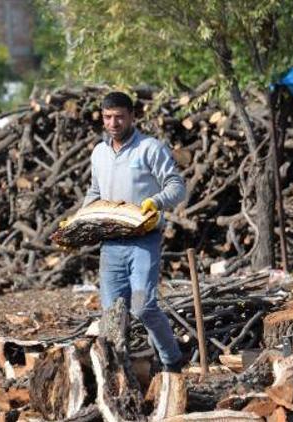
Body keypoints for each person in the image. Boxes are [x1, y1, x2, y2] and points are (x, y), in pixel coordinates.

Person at [84, 91, 186, 372]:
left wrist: (157, 201)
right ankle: (117, 372)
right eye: (107, 117)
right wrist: (80, 221)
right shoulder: (99, 153)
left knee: (142, 306)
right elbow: (95, 192)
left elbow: (177, 186)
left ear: (132, 116)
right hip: (110, 245)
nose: (113, 123)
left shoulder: (149, 148)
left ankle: (172, 361)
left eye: (119, 116)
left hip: (143, 240)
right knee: (112, 315)